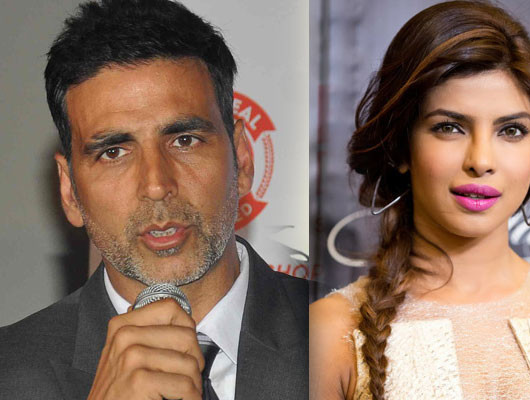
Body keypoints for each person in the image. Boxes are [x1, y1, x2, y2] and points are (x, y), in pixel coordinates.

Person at [310, 1, 530, 399]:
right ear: (401, 147)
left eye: (511, 130)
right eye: (450, 127)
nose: (481, 160)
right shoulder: (327, 336)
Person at [0, 0, 308, 399]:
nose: (157, 185)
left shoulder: (359, 342)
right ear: (70, 191)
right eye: (113, 152)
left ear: (242, 160)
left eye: (184, 140)